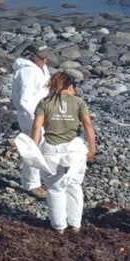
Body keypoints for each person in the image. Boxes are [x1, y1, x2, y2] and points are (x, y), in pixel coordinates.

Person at [30, 72, 97, 234]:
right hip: (74, 149)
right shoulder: (78, 102)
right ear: (71, 87)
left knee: (54, 188)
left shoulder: (45, 102)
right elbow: (88, 125)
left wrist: (33, 148)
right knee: (74, 185)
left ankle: (59, 226)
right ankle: (75, 224)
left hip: (51, 149)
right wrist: (92, 148)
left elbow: (37, 127)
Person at [12, 45, 52, 198]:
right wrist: (38, 116)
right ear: (32, 55)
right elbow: (24, 100)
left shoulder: (41, 67)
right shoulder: (27, 72)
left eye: (45, 57)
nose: (44, 59)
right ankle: (31, 183)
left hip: (40, 111)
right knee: (34, 145)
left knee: (40, 144)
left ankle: (32, 178)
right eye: (41, 57)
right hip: (31, 115)